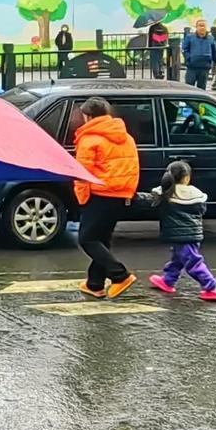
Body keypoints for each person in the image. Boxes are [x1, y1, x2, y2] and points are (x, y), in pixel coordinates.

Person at [73, 97, 140, 298]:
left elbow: (82, 174)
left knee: (87, 239)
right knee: (102, 238)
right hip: (120, 194)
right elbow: (133, 167)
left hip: (99, 194)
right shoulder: (125, 136)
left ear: (88, 116)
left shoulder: (89, 139)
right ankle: (95, 284)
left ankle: (120, 275)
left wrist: (82, 199)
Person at [143, 160, 216, 301]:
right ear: (187, 177)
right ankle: (168, 280)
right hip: (193, 234)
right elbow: (202, 210)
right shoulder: (196, 194)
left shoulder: (166, 193)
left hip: (179, 236)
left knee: (193, 262)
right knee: (178, 259)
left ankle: (211, 287)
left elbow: (150, 200)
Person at [181, 18, 216, 90]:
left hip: (205, 67)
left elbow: (215, 51)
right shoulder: (190, 37)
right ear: (196, 27)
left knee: (202, 89)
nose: (202, 27)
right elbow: (184, 49)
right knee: (189, 88)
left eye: (204, 26)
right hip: (192, 67)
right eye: (200, 25)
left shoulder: (211, 38)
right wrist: (188, 58)